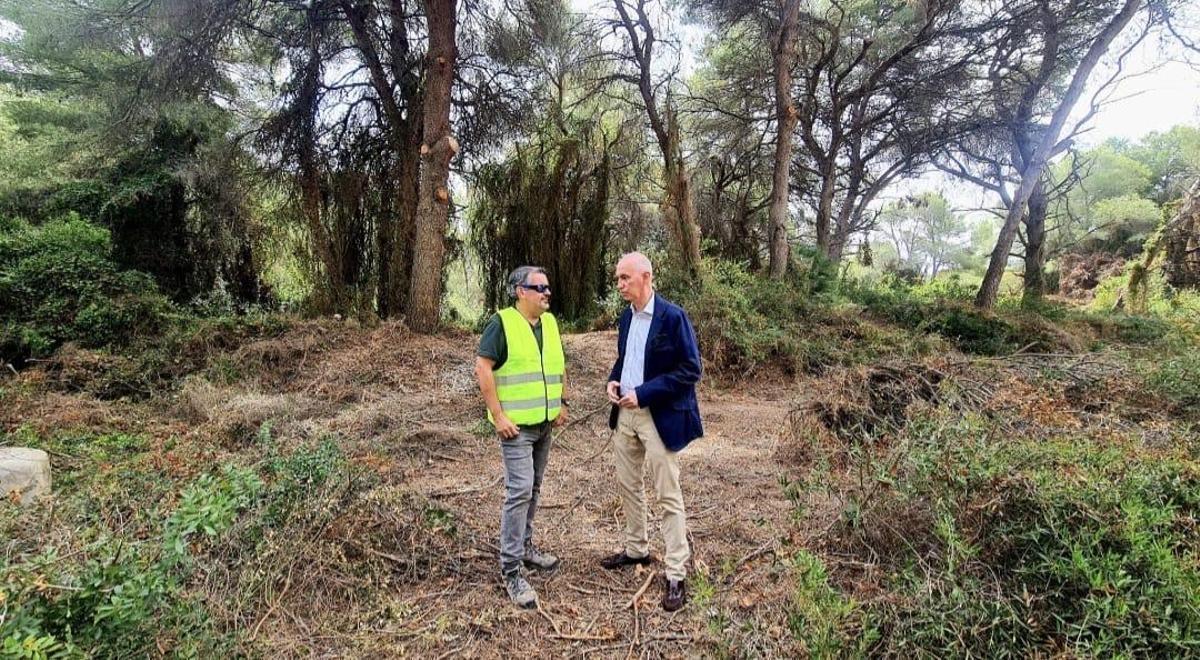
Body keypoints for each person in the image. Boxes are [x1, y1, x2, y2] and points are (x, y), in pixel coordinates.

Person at [600, 252, 703, 612]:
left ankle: (676, 573)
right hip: (624, 416)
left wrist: (642, 393)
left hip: (658, 417)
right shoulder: (626, 319)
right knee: (629, 487)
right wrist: (614, 381)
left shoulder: (673, 317)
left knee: (667, 495)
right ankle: (636, 549)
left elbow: (691, 370)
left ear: (646, 277)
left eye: (624, 278)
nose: (619, 285)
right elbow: (625, 359)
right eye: (618, 279)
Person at [474, 266, 569, 609]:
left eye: (548, 287)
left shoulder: (550, 323)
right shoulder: (502, 324)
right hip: (516, 429)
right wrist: (498, 416)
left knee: (535, 487)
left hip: (544, 424)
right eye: (538, 287)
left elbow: (558, 365)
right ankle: (511, 571)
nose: (546, 293)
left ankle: (526, 547)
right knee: (520, 491)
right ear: (520, 291)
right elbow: (483, 367)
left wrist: (561, 404)